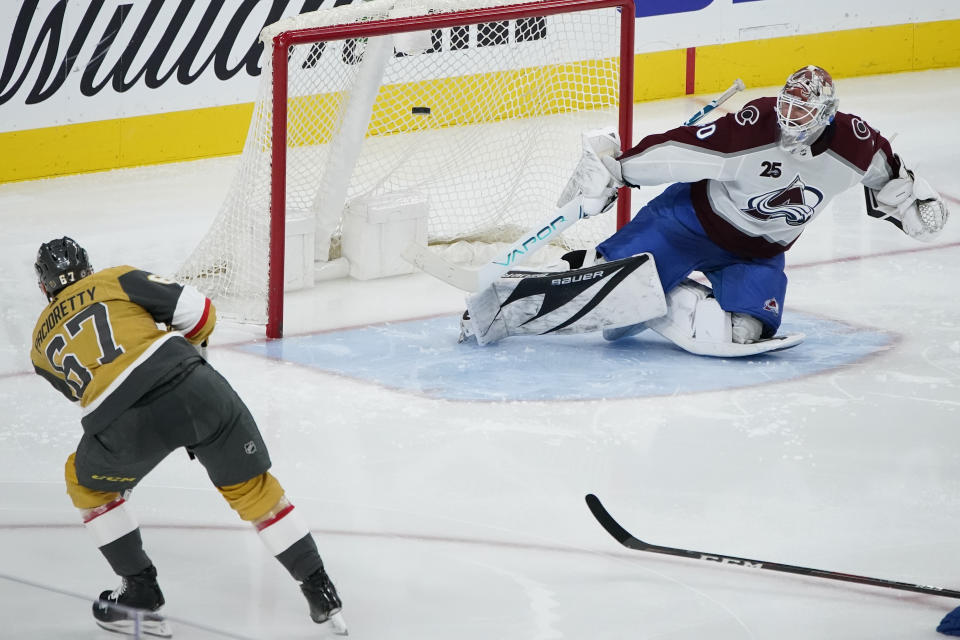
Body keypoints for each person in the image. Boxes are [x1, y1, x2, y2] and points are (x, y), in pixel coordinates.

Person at [459, 65, 949, 356]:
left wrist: (914, 208)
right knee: (615, 324)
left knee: (740, 335)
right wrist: (621, 169)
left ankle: (660, 290)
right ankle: (516, 298)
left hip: (757, 255)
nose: (790, 120)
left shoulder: (856, 146)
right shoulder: (753, 128)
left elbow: (891, 179)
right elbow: (681, 149)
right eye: (788, 107)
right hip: (686, 225)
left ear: (827, 114)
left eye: (803, 113)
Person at [30, 237, 346, 637]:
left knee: (86, 483)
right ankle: (321, 590)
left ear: (44, 288)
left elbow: (90, 393)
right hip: (196, 387)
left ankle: (141, 591)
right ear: (88, 268)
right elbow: (201, 313)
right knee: (253, 490)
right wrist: (192, 366)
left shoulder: (40, 344)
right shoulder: (115, 279)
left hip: (124, 422)